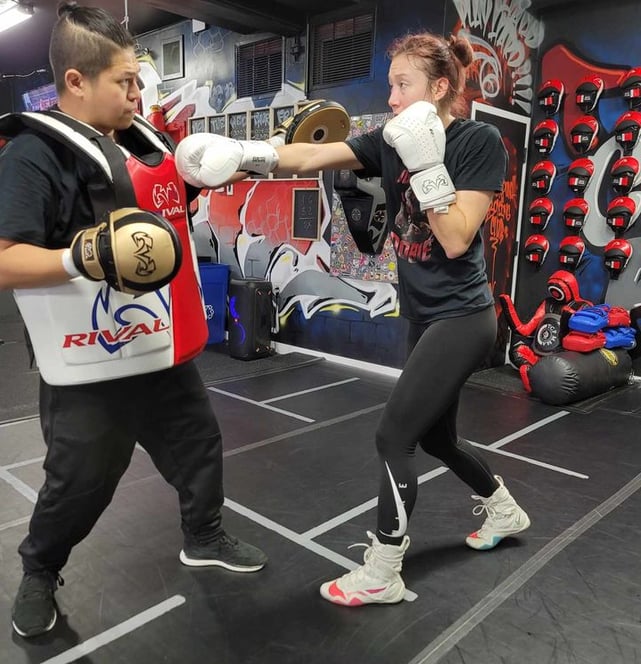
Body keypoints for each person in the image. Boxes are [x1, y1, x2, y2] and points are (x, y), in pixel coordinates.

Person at [175, 30, 530, 607]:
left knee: (393, 436)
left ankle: (385, 567)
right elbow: (313, 153)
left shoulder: (478, 141)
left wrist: (425, 163)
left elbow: (458, 237)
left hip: (464, 318)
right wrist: (244, 156)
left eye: (402, 85)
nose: (390, 98)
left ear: (439, 88)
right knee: (437, 439)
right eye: (389, 85)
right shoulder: (390, 139)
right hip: (424, 314)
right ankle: (504, 508)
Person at [0, 1, 266, 639]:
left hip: (157, 340)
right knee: (83, 478)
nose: (138, 93)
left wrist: (226, 166)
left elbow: (167, 216)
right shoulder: (33, 157)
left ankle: (203, 536)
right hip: (88, 354)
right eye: (125, 81)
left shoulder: (144, 147)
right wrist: (81, 255)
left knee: (198, 444)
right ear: (76, 82)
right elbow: (5, 259)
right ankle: (39, 570)